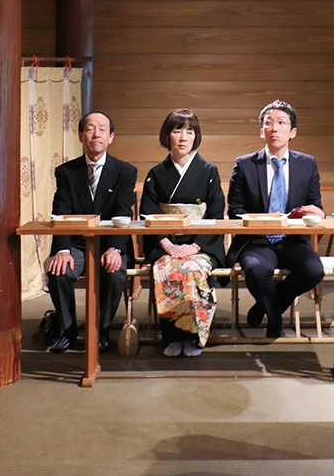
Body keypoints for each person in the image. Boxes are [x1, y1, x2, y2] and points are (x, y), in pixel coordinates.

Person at [227, 100, 325, 338]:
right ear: (262, 130)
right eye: (268, 123)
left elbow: (316, 206)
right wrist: (261, 220)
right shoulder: (245, 164)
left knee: (313, 270)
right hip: (257, 240)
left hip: (292, 240)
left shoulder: (307, 164)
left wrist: (318, 213)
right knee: (257, 270)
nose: (274, 128)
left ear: (293, 132)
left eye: (281, 123)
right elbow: (235, 211)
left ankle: (266, 306)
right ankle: (274, 320)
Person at [45, 111, 137, 353]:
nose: (96, 134)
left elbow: (123, 213)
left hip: (109, 243)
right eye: (90, 128)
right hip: (76, 245)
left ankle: (101, 330)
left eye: (102, 129)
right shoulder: (66, 172)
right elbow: (61, 213)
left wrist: (116, 248)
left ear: (111, 137)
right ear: (80, 136)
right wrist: (62, 249)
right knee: (58, 270)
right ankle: (67, 330)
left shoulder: (125, 171)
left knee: (115, 273)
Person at [140, 109, 226, 357]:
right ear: (167, 135)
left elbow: (216, 213)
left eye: (190, 131)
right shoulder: (156, 174)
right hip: (168, 243)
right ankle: (172, 336)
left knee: (192, 269)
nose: (183, 136)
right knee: (166, 268)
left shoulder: (208, 171)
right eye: (177, 130)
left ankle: (194, 337)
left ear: (196, 136)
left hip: (200, 245)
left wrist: (195, 247)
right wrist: (168, 246)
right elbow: (148, 213)